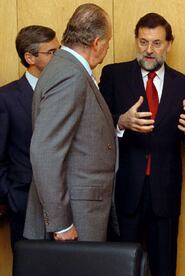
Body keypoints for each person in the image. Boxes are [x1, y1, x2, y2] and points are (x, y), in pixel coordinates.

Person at [99, 12, 185, 276]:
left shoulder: (184, 84)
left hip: (165, 194)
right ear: (136, 41)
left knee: (164, 267)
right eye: (143, 42)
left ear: (169, 44)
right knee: (121, 268)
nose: (149, 50)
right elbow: (94, 126)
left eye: (156, 43)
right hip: (124, 192)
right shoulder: (113, 75)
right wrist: (121, 122)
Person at [23, 3, 117, 241]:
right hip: (75, 215)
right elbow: (45, 151)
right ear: (96, 42)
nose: (107, 47)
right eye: (108, 41)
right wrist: (62, 224)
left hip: (80, 210)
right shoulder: (70, 75)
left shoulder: (65, 67)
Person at [0, 25, 59, 250]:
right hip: (23, 203)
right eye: (51, 52)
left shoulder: (65, 92)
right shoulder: (6, 98)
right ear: (29, 57)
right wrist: (10, 195)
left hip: (64, 205)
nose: (58, 57)